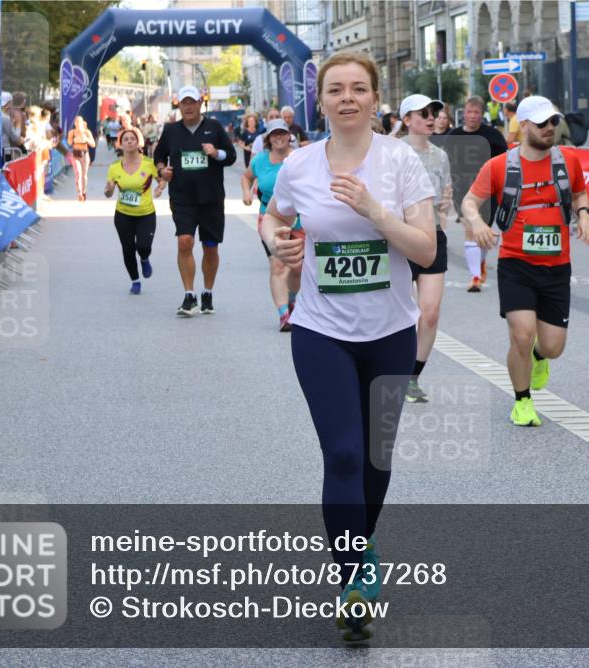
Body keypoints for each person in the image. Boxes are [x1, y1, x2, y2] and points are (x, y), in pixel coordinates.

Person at [261, 51, 435, 641]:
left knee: (376, 459)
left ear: (375, 97)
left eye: (359, 88)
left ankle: (363, 544)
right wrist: (278, 243)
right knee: (342, 454)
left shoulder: (403, 163)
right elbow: (272, 217)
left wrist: (375, 211)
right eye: (335, 89)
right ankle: (355, 579)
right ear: (322, 100)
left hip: (390, 333)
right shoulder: (300, 165)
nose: (347, 98)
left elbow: (427, 251)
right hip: (320, 331)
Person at [462, 96, 589, 427]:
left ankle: (539, 358)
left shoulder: (568, 161)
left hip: (557, 266)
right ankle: (522, 402)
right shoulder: (500, 167)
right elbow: (469, 201)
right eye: (542, 123)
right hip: (516, 264)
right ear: (523, 127)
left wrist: (584, 215)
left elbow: (579, 192)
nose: (550, 128)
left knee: (552, 347)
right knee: (521, 334)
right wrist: (478, 223)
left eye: (553, 122)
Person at [153, 85, 237, 316]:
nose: (188, 107)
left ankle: (207, 291)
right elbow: (158, 156)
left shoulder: (214, 127)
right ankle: (189, 296)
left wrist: (215, 153)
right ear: (178, 106)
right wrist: (162, 171)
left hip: (211, 198)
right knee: (185, 241)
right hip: (182, 198)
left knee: (210, 248)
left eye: (192, 102)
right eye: (183, 103)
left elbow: (231, 156)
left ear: (200, 103)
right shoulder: (171, 130)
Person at [398, 94, 453, 403]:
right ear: (407, 120)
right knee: (400, 312)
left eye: (434, 112)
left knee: (430, 313)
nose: (432, 117)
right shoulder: (393, 153)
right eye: (424, 113)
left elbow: (445, 195)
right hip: (401, 237)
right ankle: (389, 368)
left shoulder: (440, 155)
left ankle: (412, 378)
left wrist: (443, 213)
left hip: (432, 236)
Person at [241, 118, 301, 331]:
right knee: (277, 263)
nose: (278, 138)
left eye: (282, 133)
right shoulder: (260, 161)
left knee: (297, 268)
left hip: (299, 218)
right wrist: (246, 191)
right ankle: (284, 314)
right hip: (270, 216)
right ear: (268, 139)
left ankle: (292, 300)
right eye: (274, 134)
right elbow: (247, 177)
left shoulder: (299, 157)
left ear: (288, 136)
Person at [450, 95, 508, 291]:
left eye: (476, 112)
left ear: (481, 114)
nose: (472, 116)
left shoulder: (493, 136)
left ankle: (480, 263)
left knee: (484, 231)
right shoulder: (453, 136)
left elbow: (506, 161)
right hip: (463, 191)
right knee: (470, 229)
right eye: (469, 112)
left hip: (488, 190)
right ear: (463, 114)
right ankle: (474, 276)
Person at [104, 128, 164, 294]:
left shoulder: (148, 163)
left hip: (145, 214)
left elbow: (162, 180)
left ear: (138, 143)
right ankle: (135, 280)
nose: (129, 141)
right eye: (126, 139)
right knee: (128, 249)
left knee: (143, 246)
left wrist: (160, 188)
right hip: (123, 215)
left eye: (132, 139)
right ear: (120, 144)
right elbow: (108, 193)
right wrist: (108, 189)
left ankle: (144, 258)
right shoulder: (114, 167)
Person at [67, 116, 96, 201]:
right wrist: (74, 139)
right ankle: (79, 193)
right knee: (78, 174)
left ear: (83, 123)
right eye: (76, 122)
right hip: (75, 154)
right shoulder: (72, 132)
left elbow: (93, 144)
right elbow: (69, 143)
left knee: (84, 175)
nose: (77, 124)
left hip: (84, 155)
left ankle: (84, 191)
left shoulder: (87, 132)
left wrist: (86, 139)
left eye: (79, 122)